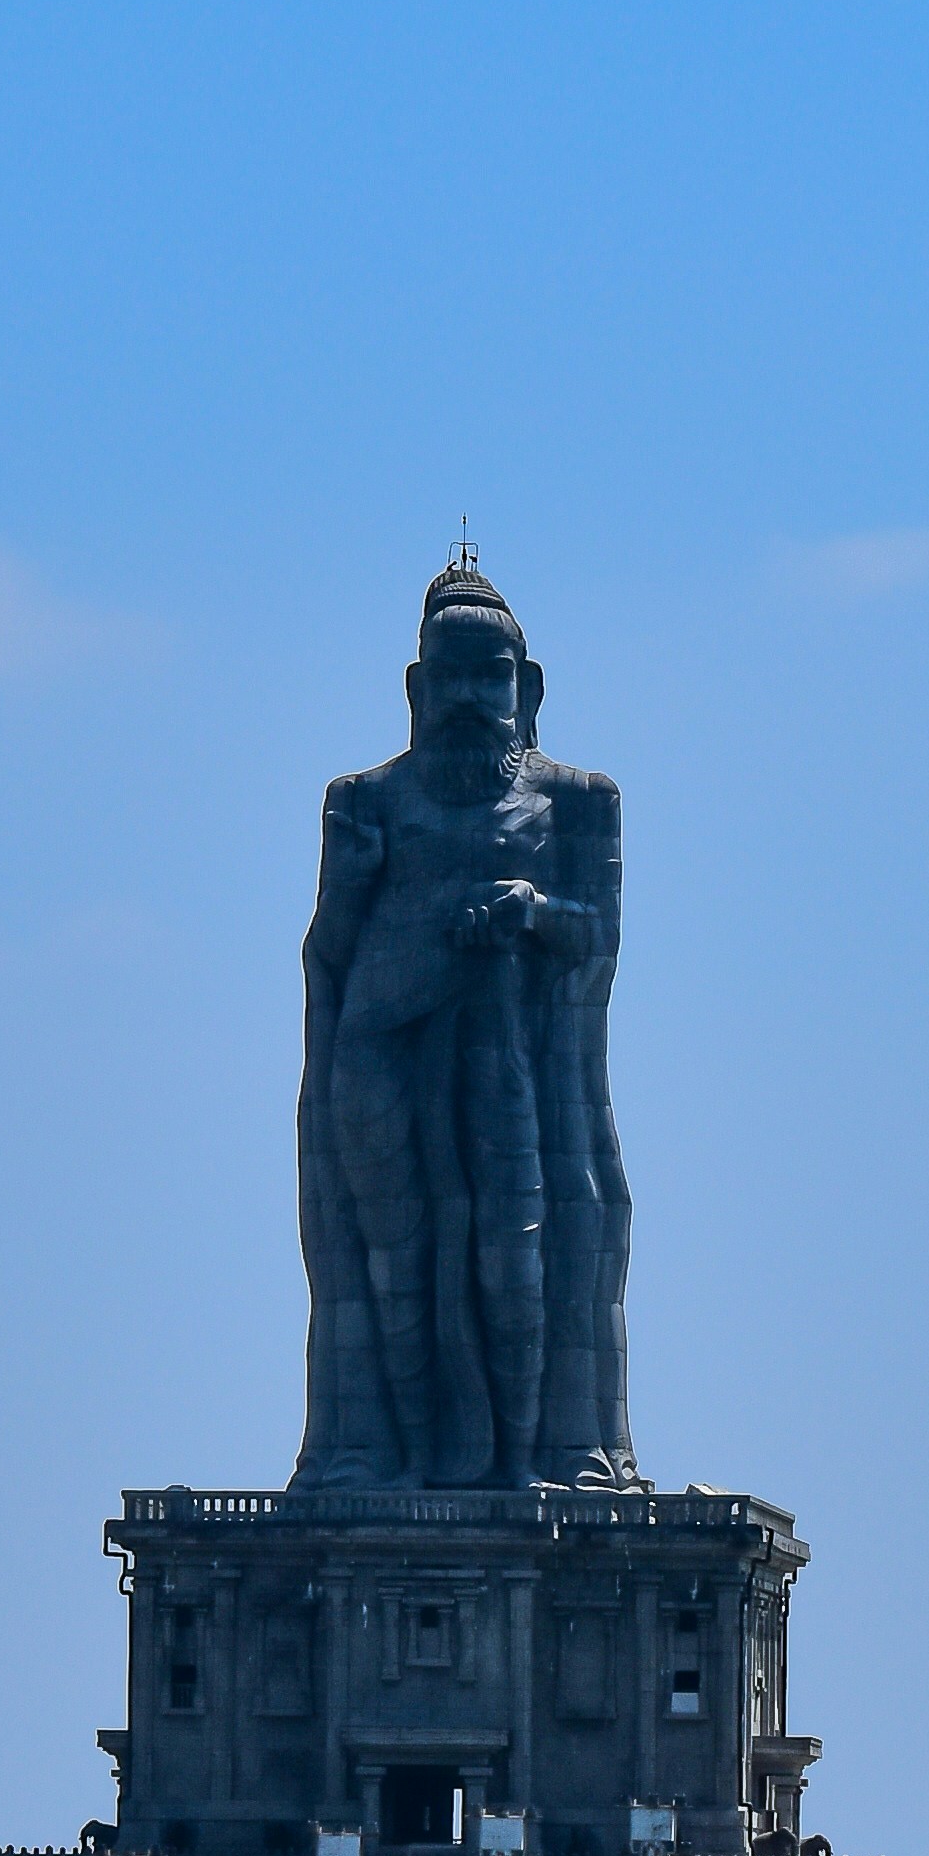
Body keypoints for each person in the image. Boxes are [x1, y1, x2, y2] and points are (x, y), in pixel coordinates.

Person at [294, 558, 635, 1487]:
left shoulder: (577, 800)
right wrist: (356, 888)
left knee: (518, 1265)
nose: (470, 698)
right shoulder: (363, 801)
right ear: (416, 689)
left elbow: (598, 937)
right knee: (388, 1270)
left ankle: (535, 1460)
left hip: (518, 1080)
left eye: (492, 677)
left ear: (528, 688)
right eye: (451, 677)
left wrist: (528, 908)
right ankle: (387, 1461)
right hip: (382, 1061)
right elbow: (328, 953)